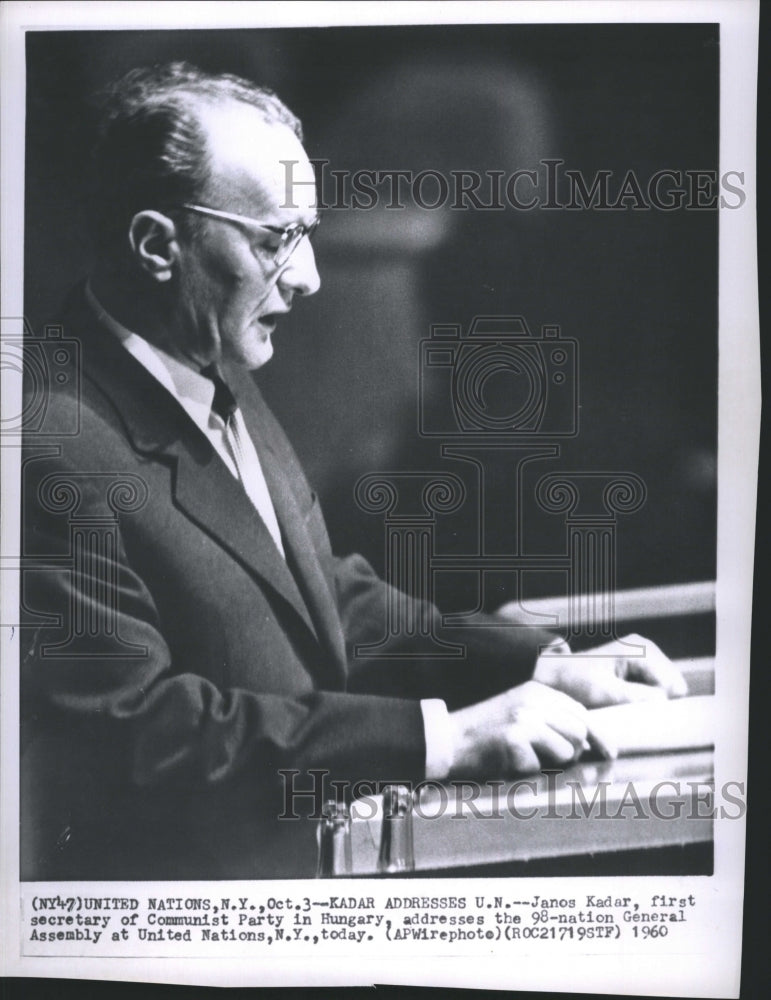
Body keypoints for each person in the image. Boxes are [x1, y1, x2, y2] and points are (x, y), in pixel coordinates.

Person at [20, 63, 686, 880]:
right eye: (274, 241)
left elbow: (320, 599)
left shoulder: (207, 361)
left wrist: (531, 662)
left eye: (307, 234)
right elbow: (138, 730)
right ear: (158, 243)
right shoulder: (45, 445)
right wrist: (445, 738)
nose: (308, 278)